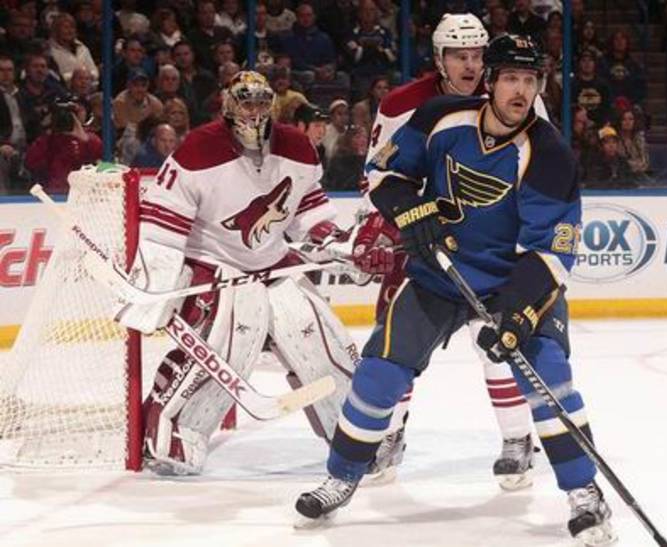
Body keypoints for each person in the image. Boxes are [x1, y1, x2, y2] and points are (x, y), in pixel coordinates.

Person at [296, 35, 615, 546]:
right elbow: (384, 173)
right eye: (511, 79)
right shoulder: (442, 118)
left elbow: (550, 252)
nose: (521, 91)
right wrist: (411, 210)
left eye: (530, 81)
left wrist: (516, 314)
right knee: (379, 372)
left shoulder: (550, 155)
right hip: (439, 276)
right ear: (490, 81)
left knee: (549, 380)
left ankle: (584, 490)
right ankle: (341, 476)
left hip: (513, 284)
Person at [116, 71, 359, 476]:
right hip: (212, 262)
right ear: (229, 106)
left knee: (319, 335)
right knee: (232, 338)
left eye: (262, 103)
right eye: (247, 103)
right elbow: (162, 225)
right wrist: (154, 283)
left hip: (273, 260)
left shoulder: (297, 146)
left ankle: (356, 434)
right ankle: (173, 433)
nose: (255, 112)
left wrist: (334, 240)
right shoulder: (197, 149)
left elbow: (308, 209)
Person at [350, 14, 548, 491]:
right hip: (422, 236)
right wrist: (377, 225)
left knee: (497, 340)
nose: (471, 65)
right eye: (460, 56)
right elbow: (377, 174)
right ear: (439, 59)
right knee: (396, 343)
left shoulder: (518, 96)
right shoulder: (403, 105)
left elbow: (543, 169)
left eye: (478, 55)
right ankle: (388, 435)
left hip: (492, 240)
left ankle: (518, 440)